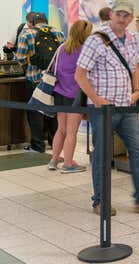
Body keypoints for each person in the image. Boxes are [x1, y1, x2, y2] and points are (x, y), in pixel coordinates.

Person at [75, 0, 139, 216]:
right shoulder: (96, 40)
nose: (122, 19)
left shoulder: (133, 38)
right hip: (103, 109)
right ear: (111, 14)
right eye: (119, 14)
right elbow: (80, 74)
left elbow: (135, 65)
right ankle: (100, 201)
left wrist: (136, 89)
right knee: (103, 155)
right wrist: (96, 99)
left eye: (127, 16)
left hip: (126, 106)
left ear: (131, 19)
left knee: (138, 150)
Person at [15, 12, 64, 153]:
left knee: (35, 111)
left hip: (35, 78)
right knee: (54, 111)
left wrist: (28, 64)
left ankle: (37, 145)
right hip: (55, 79)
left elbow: (20, 57)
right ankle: (55, 141)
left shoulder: (26, 34)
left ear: (30, 22)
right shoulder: (59, 33)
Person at [48, 20, 93, 173]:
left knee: (61, 129)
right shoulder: (83, 51)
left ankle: (54, 160)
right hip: (75, 95)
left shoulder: (61, 48)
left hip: (59, 93)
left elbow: (54, 69)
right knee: (72, 132)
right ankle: (68, 163)